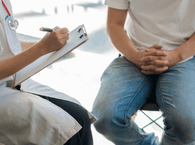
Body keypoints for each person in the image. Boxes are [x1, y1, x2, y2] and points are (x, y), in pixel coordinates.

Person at [92, 0, 195, 145]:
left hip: (184, 56)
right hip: (134, 54)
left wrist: (176, 55)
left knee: (186, 124)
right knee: (104, 118)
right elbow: (114, 24)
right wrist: (135, 55)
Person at [0, 0, 96, 145]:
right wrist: (42, 48)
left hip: (11, 79)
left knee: (80, 116)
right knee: (63, 130)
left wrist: (50, 45)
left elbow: (9, 45)